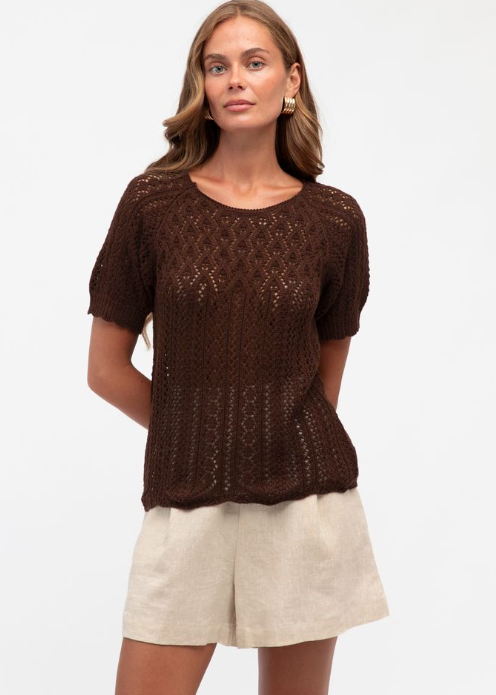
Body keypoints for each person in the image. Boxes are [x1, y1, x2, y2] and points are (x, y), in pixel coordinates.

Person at [86, 1, 390, 693]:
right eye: (217, 66)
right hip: (187, 500)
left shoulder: (335, 219)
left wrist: (262, 433)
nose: (235, 80)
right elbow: (104, 370)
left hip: (306, 507)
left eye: (255, 63)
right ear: (201, 84)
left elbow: (322, 385)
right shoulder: (152, 204)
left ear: (292, 80)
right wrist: (201, 429)